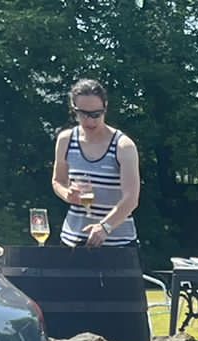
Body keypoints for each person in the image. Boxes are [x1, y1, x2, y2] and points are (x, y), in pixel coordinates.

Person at [50, 79, 139, 249]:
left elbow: (131, 199)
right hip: (72, 240)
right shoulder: (66, 140)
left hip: (117, 244)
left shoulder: (123, 146)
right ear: (73, 109)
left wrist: (105, 227)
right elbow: (57, 181)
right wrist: (67, 194)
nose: (90, 121)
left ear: (105, 107)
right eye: (83, 114)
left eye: (96, 114)